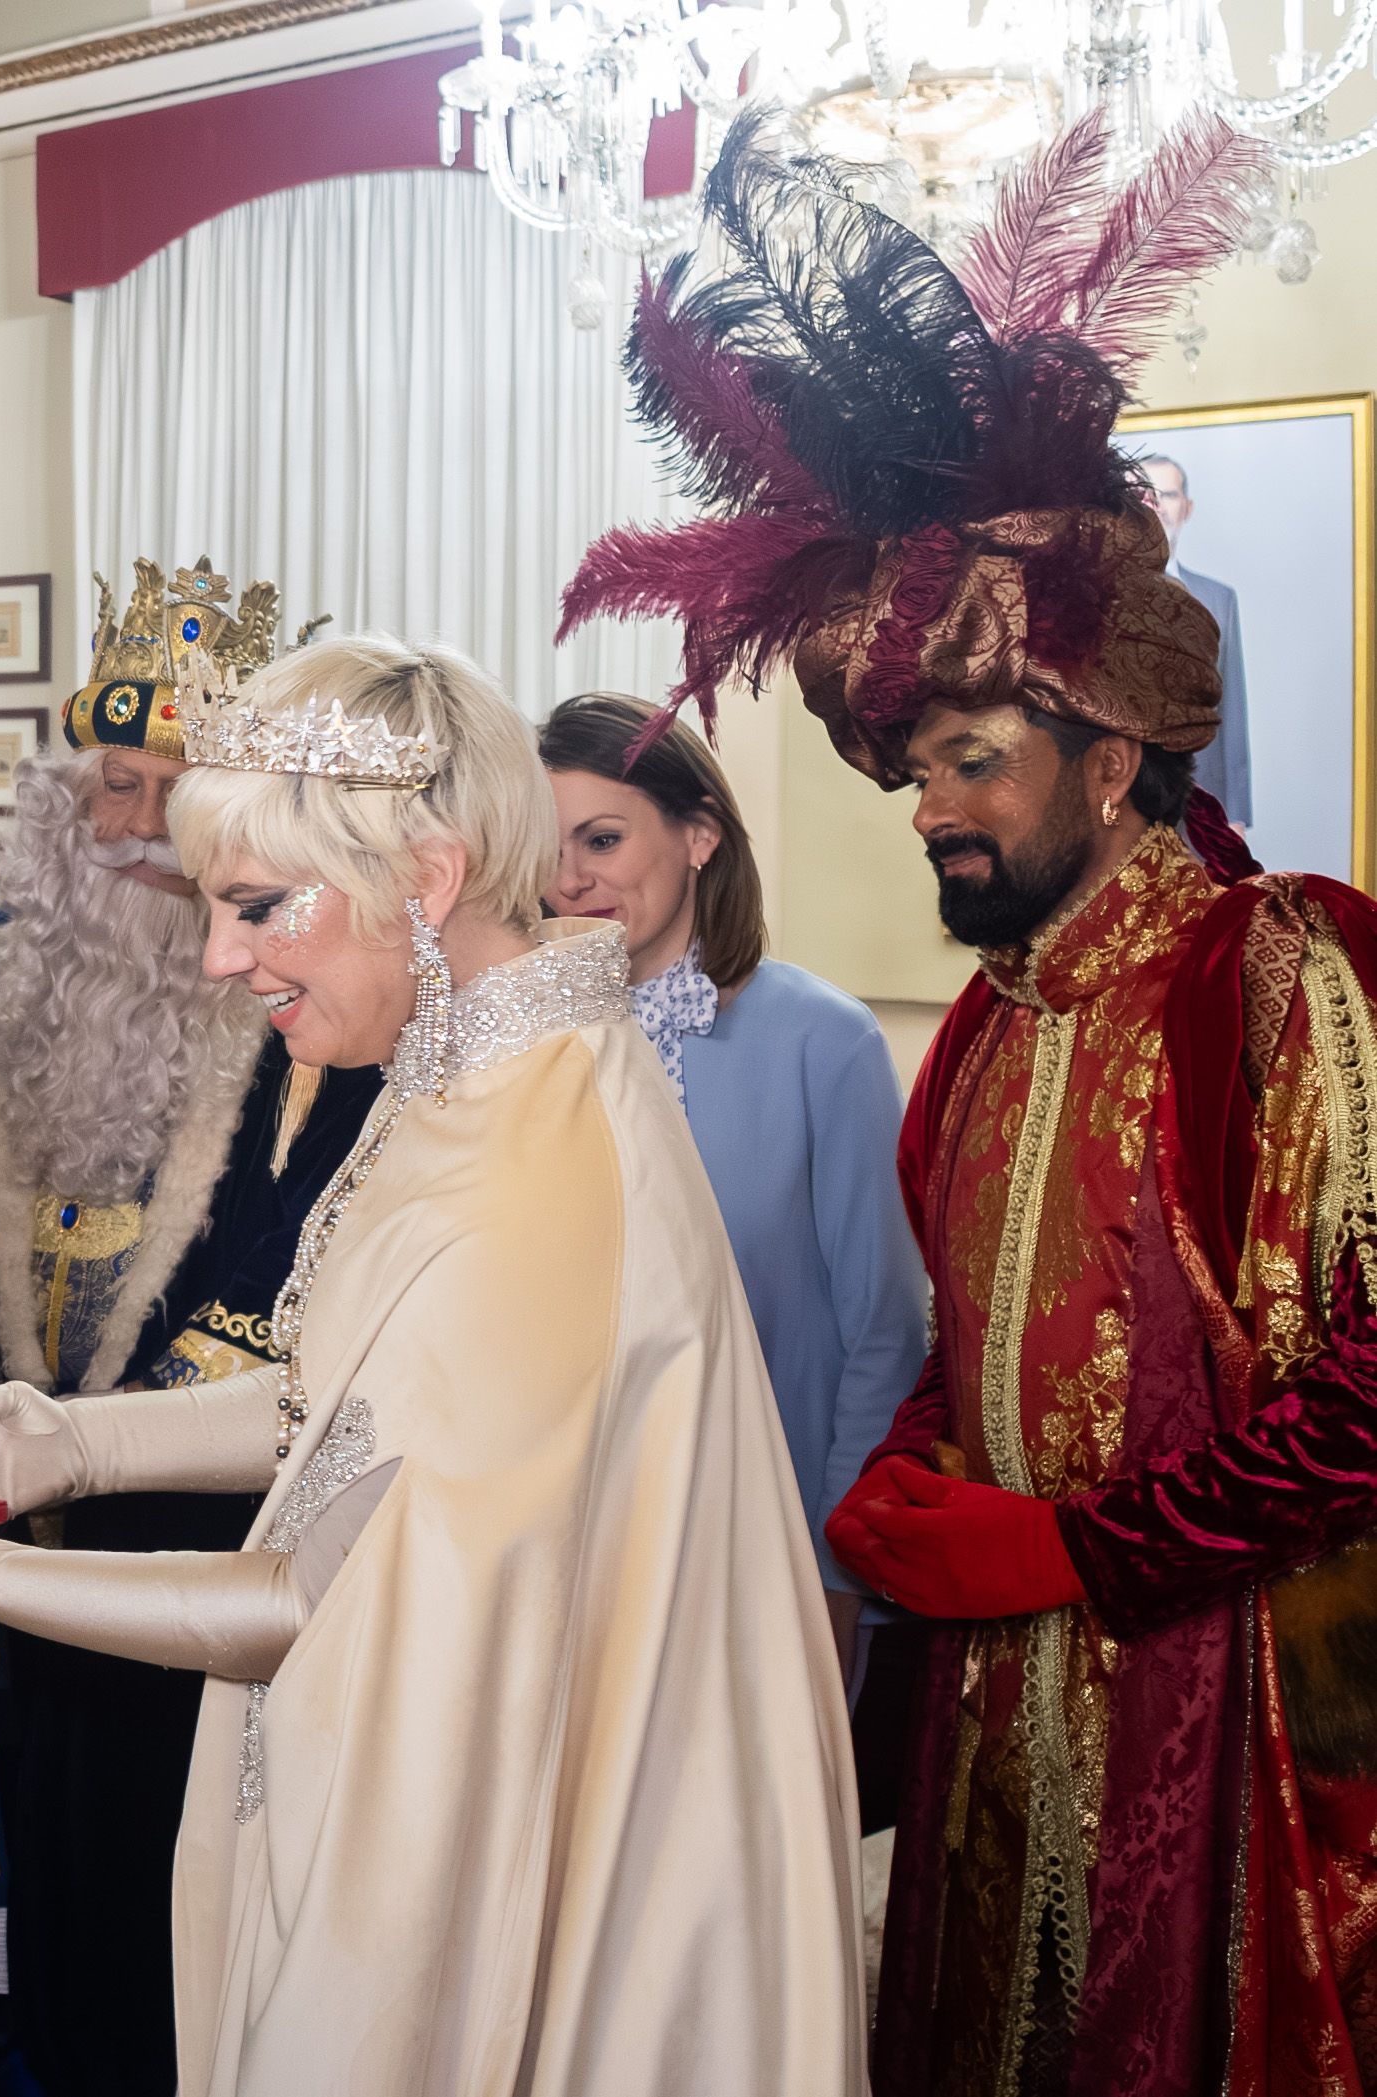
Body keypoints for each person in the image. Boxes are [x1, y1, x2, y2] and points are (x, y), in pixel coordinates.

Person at [564, 108, 1377, 2088]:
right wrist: (910, 1479)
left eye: (969, 759)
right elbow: (958, 1328)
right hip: (995, 1720)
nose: (926, 805)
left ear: (1108, 759)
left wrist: (1082, 1550)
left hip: (1228, 1712)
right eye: (908, 765)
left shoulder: (1287, 968)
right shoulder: (994, 1018)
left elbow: (1362, 1384)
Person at [0, 633, 865, 2095]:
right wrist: (71, 1445)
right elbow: (337, 1407)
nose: (220, 957)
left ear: (420, 883)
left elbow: (300, 1595)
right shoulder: (482, 1059)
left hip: (473, 1837)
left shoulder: (533, 1164)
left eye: (256, 907)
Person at [0, 558, 382, 2097]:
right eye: (113, 785)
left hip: (180, 1530)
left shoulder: (302, 979)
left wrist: (94, 1456)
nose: (138, 831)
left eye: (176, 791)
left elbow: (289, 1264)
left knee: (134, 1877)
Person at [539, 693, 925, 1683]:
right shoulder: (523, 1048)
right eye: (545, 849)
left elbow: (880, 1330)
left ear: (698, 835)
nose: (567, 879)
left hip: (762, 1556)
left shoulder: (820, 1041)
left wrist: (839, 1577)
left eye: (601, 838)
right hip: (557, 1555)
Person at [1144, 452, 1252, 824]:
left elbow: (1231, 710)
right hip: (1127, 803)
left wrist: (1234, 813)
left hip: (1201, 807)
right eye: (1147, 496)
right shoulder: (1102, 595)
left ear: (1187, 508)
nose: (1158, 507)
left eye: (1169, 496)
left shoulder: (1219, 599)